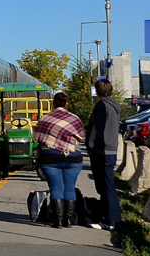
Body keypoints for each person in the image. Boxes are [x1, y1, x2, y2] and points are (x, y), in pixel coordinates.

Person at [34, 92, 87, 228]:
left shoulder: (45, 119)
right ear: (66, 103)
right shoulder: (75, 119)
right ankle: (68, 221)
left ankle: (57, 221)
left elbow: (37, 138)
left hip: (50, 158)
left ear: (53, 103)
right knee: (69, 188)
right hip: (73, 158)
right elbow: (81, 136)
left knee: (56, 188)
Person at [86, 78, 123, 232]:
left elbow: (96, 128)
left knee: (105, 186)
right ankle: (110, 217)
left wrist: (90, 146)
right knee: (109, 185)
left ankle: (111, 220)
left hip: (101, 150)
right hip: (111, 149)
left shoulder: (101, 106)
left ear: (97, 91)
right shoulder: (114, 106)